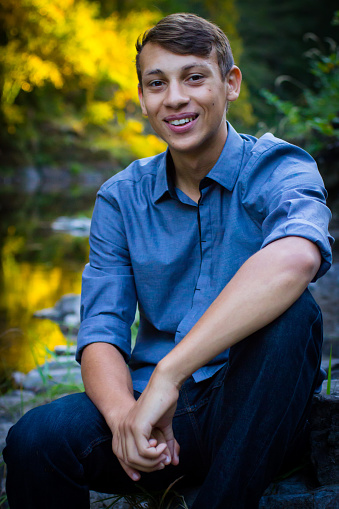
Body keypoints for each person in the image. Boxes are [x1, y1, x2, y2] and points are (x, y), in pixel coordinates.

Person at [3, 12, 334, 509]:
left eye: (194, 77)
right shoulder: (120, 198)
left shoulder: (278, 166)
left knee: (294, 315)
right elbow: (100, 333)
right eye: (157, 83)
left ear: (231, 83)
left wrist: (169, 374)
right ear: (142, 98)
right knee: (34, 437)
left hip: (252, 408)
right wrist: (124, 422)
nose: (175, 98)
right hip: (152, 415)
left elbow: (297, 258)